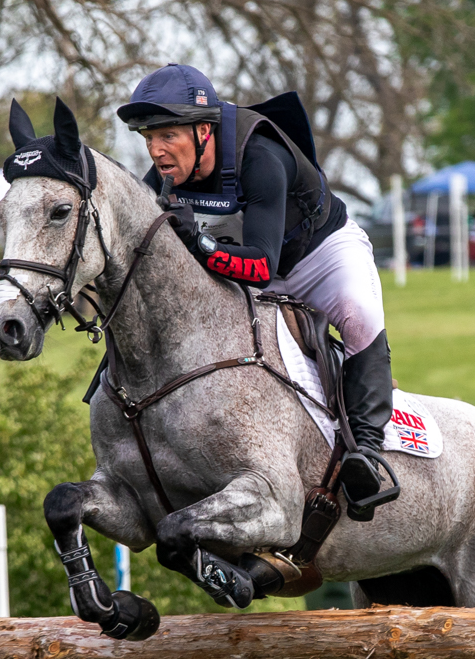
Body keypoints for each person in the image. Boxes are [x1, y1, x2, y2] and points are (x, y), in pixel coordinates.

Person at [116, 64, 396, 525]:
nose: (156, 150)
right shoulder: (164, 175)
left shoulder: (260, 157)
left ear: (204, 130)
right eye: (148, 136)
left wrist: (200, 244)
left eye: (167, 135)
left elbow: (262, 269)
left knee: (358, 313)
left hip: (319, 257)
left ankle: (367, 451)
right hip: (248, 263)